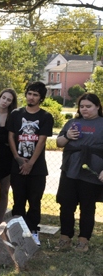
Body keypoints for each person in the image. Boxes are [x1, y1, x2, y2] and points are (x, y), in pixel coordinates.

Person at [55, 93, 103, 253]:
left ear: (97, 106)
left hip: (91, 173)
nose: (84, 109)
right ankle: (65, 238)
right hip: (70, 171)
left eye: (88, 106)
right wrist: (67, 136)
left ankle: (83, 241)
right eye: (82, 106)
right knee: (66, 205)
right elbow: (59, 143)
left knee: (87, 207)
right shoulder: (72, 123)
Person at [8, 81, 54, 247]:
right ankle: (17, 234)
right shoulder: (16, 114)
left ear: (41, 98)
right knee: (18, 201)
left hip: (37, 169)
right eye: (29, 93)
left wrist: (30, 164)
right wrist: (18, 158)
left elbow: (41, 141)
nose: (31, 97)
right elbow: (11, 137)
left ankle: (33, 232)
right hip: (17, 166)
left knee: (35, 202)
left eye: (35, 95)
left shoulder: (46, 117)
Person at [0, 88, 18, 227]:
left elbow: (14, 137)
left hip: (7, 158)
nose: (5, 101)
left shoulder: (12, 117)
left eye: (9, 100)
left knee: (4, 192)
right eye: (3, 98)